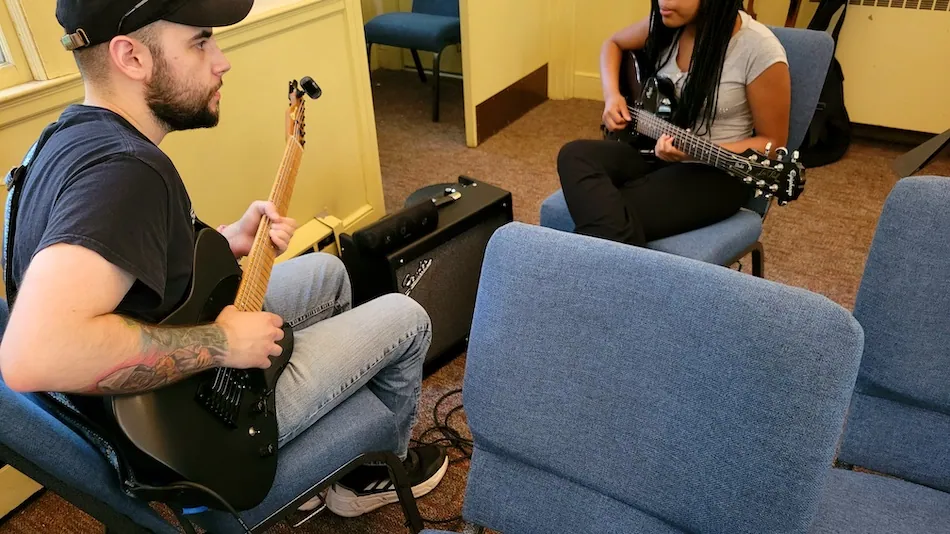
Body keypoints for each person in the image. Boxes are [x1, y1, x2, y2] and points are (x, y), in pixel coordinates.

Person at [0, 0, 446, 519]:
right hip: (195, 431)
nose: (222, 61)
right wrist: (222, 344)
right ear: (131, 57)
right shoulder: (125, 173)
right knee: (407, 318)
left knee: (329, 274)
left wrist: (228, 239)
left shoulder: (67, 138)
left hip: (167, 396)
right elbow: (36, 355)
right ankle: (374, 476)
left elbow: (134, 278)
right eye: (200, 42)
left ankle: (337, 456)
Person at [557, 0, 791, 247]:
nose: (663, 2)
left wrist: (691, 152)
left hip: (716, 174)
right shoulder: (668, 21)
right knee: (574, 154)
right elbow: (612, 44)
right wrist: (612, 96)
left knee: (608, 211)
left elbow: (773, 145)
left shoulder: (759, 48)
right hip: (655, 150)